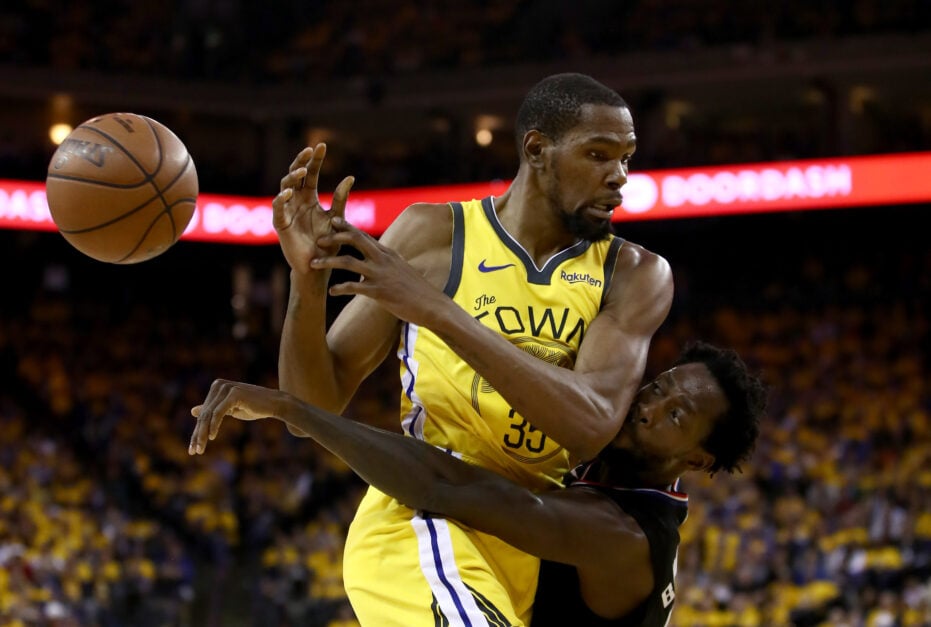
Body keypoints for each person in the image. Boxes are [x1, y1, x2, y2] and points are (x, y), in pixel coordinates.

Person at [266, 72, 671, 625]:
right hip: (423, 515)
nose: (618, 177)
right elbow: (310, 406)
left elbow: (590, 422)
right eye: (598, 155)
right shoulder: (434, 235)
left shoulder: (634, 273)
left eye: (626, 158)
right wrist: (306, 282)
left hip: (526, 541)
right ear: (536, 149)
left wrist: (436, 310)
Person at [188, 341, 767, 625]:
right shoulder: (604, 457)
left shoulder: (623, 534)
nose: (650, 404)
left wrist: (296, 411)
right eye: (661, 385)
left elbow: (447, 488)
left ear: (696, 458)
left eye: (676, 414)